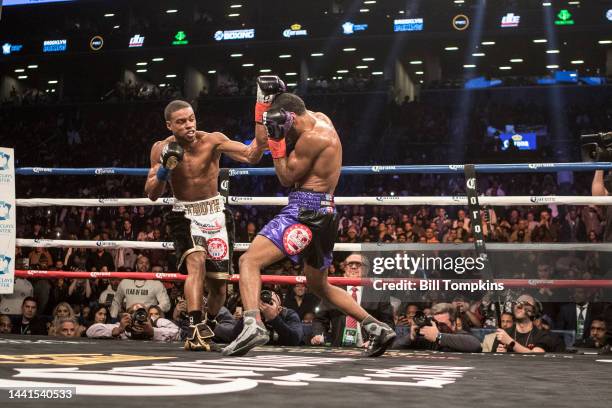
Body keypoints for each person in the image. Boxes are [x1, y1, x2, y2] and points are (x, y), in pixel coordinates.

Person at [223, 77, 396, 357]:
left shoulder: (314, 139)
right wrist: (262, 103)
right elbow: (258, 144)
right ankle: (377, 328)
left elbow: (284, 176)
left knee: (248, 261)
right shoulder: (317, 117)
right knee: (318, 284)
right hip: (326, 212)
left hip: (305, 211)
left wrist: (278, 145)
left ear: (288, 118)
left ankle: (253, 324)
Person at [144, 99, 267, 351]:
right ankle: (196, 324)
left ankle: (204, 325)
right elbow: (151, 193)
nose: (189, 125)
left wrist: (263, 117)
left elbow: (251, 154)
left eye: (191, 118)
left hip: (215, 213)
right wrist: (164, 171)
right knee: (196, 262)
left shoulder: (212, 141)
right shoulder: (160, 148)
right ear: (169, 125)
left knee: (219, 289)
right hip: (184, 214)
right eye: (181, 121)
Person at [311, 253, 394, 347]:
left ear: (366, 269)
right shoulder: (333, 291)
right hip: (339, 348)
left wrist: (375, 342)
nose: (353, 267)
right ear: (345, 268)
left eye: (358, 264)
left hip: (367, 347)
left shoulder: (378, 293)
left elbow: (388, 322)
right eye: (350, 264)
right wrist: (319, 335)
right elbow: (320, 319)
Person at [391, 303, 482, 352]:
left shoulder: (459, 335)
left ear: (454, 325)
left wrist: (439, 337)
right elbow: (394, 350)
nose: (437, 327)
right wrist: (411, 337)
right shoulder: (427, 339)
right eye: (435, 323)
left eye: (442, 324)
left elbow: (475, 345)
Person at [86, 302, 179, 342]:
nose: (138, 318)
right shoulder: (122, 328)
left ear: (147, 317)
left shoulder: (157, 324)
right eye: (134, 314)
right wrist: (117, 330)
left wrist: (153, 332)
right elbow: (90, 331)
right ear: (128, 316)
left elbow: (178, 333)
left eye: (142, 314)